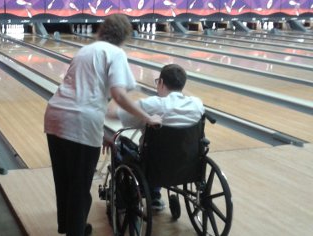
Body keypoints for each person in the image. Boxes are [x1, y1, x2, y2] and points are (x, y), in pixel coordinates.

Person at [44, 14, 162, 236]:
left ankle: (71, 228)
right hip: (79, 122)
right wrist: (147, 118)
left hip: (54, 117)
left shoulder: (85, 51)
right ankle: (75, 232)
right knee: (80, 186)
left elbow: (84, 96)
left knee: (65, 181)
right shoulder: (115, 53)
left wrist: (100, 135)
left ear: (102, 30)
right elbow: (118, 94)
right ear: (124, 36)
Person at [107, 63, 204, 211]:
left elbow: (112, 114)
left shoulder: (151, 104)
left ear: (161, 82)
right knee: (162, 152)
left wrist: (119, 96)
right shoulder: (197, 104)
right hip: (188, 164)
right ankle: (155, 198)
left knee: (120, 144)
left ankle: (122, 199)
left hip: (154, 165)